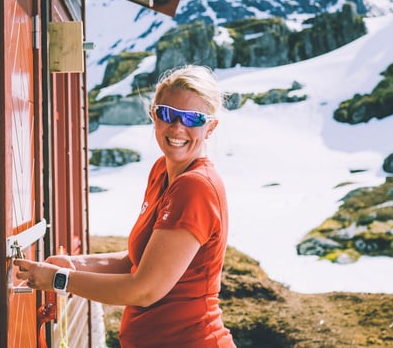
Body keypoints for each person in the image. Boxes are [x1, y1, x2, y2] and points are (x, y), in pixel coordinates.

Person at [15, 64, 236, 347]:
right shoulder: (163, 171)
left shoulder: (196, 186)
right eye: (167, 114)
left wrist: (60, 279)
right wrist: (75, 264)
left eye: (192, 118)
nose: (177, 128)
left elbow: (144, 289)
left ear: (211, 127)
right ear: (153, 114)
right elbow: (139, 260)